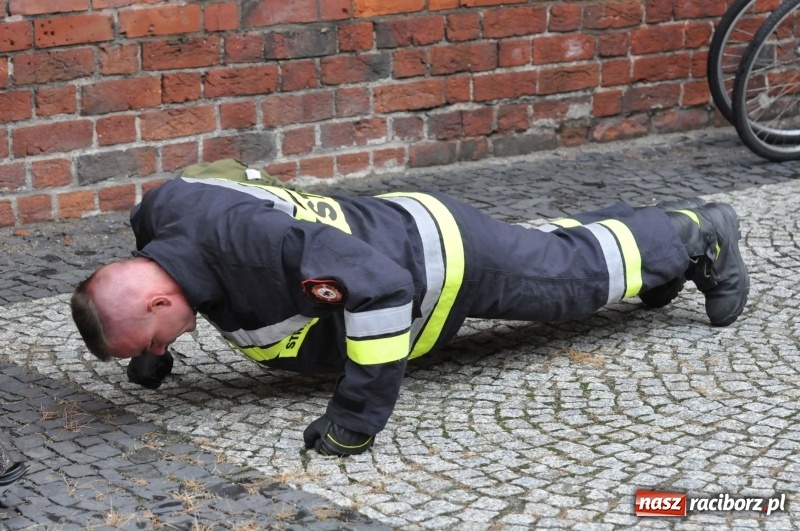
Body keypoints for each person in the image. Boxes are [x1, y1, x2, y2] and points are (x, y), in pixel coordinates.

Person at [70, 161, 749, 457]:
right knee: (557, 253)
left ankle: (699, 233)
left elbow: (382, 290)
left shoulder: (255, 249)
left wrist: (355, 419)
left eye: (151, 338)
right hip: (389, 222)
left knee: (571, 280)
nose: (156, 347)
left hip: (438, 261)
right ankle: (660, 252)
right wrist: (159, 352)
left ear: (161, 297)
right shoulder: (160, 214)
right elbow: (148, 277)